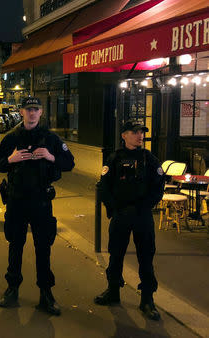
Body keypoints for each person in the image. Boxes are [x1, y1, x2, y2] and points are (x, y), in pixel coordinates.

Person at [0, 97, 75, 316]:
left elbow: (69, 163)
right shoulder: (11, 138)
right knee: (15, 245)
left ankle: (46, 293)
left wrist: (51, 156)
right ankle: (12, 289)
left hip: (41, 200)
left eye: (36, 109)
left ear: (41, 113)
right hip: (17, 200)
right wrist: (11, 159)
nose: (32, 113)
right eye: (28, 109)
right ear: (21, 112)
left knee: (43, 247)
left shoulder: (50, 138)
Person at [94, 120, 165, 321]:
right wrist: (114, 209)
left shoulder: (149, 159)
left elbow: (159, 186)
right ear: (124, 135)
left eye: (141, 132)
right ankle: (113, 291)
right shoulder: (115, 158)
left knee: (146, 257)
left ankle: (147, 299)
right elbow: (104, 187)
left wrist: (145, 206)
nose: (139, 135)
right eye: (134, 132)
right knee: (116, 255)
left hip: (142, 215)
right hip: (121, 215)